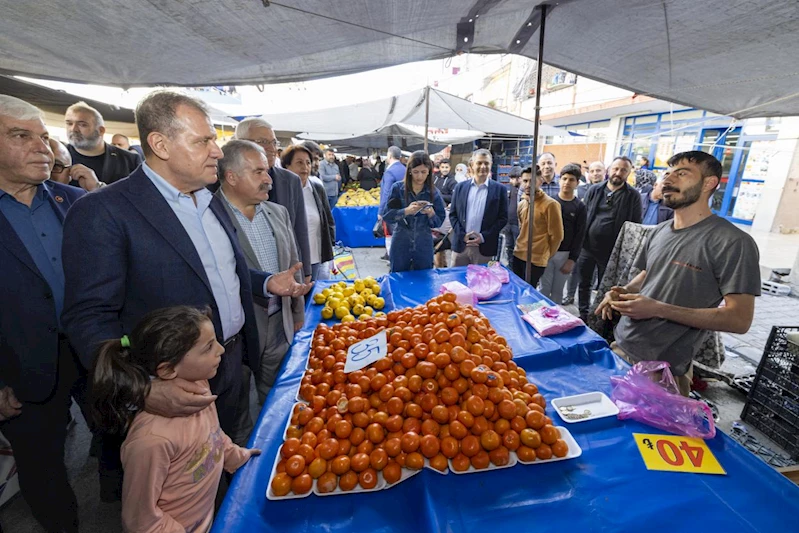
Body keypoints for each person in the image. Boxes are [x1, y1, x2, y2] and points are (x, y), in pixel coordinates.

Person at [61, 90, 311, 501]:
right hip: (167, 386)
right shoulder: (104, 211)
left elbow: (217, 270)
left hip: (229, 364)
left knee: (224, 464)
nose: (217, 151)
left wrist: (265, 283)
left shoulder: (207, 199)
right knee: (180, 495)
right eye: (204, 141)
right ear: (159, 144)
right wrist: (140, 387)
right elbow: (88, 318)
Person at [596, 151, 760, 397]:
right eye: (668, 173)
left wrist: (658, 309)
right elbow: (648, 275)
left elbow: (739, 319)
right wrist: (623, 292)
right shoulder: (660, 231)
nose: (668, 179)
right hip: (621, 348)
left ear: (709, 183)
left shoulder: (733, 242)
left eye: (682, 173)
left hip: (664, 373)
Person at [92, 306, 260, 532]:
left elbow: (212, 435)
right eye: (208, 347)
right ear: (168, 370)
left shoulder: (199, 385)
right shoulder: (151, 441)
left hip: (206, 518)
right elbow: (141, 522)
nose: (221, 350)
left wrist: (235, 456)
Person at [0, 95, 85, 533]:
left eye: (44, 137)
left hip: (93, 354)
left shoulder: (74, 201)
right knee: (43, 468)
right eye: (21, 136)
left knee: (123, 440)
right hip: (21, 370)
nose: (42, 148)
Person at [216, 140, 305, 444]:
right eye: (258, 172)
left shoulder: (277, 212)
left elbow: (293, 264)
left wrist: (297, 313)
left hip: (278, 324)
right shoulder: (209, 218)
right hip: (234, 336)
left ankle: (276, 452)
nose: (268, 179)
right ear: (231, 177)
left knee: (277, 399)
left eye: (267, 171)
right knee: (236, 414)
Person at [235, 118, 312, 282]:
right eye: (262, 142)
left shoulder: (291, 181)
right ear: (240, 144)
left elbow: (300, 228)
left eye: (273, 142)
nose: (271, 148)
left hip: (287, 272)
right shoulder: (220, 184)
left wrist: (305, 271)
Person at [576, 156, 642, 321]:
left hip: (612, 252)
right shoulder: (594, 190)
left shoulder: (633, 196)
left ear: (629, 173)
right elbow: (584, 215)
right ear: (609, 170)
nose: (618, 173)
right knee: (584, 283)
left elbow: (635, 226)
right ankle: (583, 313)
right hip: (588, 247)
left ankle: (598, 316)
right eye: (616, 168)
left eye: (624, 170)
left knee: (606, 286)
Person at [380, 150, 445, 272]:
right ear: (409, 171)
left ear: (429, 172)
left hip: (423, 242)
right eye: (416, 172)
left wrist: (431, 214)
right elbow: (387, 216)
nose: (419, 176)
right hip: (401, 240)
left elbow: (439, 221)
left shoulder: (433, 192)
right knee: (398, 278)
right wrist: (405, 211)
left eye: (423, 172)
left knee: (424, 279)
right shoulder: (398, 189)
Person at [281, 144, 336, 281]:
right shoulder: (280, 191)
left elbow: (328, 220)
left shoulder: (316, 187)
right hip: (292, 261)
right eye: (299, 163)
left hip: (317, 256)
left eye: (308, 163)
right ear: (287, 166)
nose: (305, 167)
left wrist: (330, 248)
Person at [449, 149, 508, 266]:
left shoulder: (500, 189)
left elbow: (503, 218)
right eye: (479, 163)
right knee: (457, 281)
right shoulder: (460, 188)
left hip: (484, 248)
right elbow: (453, 214)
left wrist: (483, 236)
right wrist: (462, 235)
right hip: (461, 246)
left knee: (482, 282)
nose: (483, 166)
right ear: (472, 165)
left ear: (491, 165)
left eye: (486, 163)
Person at [539, 164, 587, 304]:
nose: (567, 182)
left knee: (557, 292)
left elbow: (580, 235)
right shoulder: (549, 202)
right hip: (547, 252)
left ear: (577, 183)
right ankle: (540, 318)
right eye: (564, 178)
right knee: (543, 289)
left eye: (571, 179)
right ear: (559, 180)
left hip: (565, 254)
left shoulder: (579, 207)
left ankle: (554, 321)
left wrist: (572, 259)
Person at [65, 101, 141, 184]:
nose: (73, 129)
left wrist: (98, 187)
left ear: (101, 130)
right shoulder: (57, 157)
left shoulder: (129, 160)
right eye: (69, 123)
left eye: (82, 125)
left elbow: (141, 194)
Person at [512, 166, 563, 285]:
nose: (528, 184)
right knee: (516, 289)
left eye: (532, 181)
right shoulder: (522, 204)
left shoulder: (551, 205)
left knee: (529, 295)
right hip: (518, 254)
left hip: (536, 260)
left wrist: (545, 255)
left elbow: (557, 236)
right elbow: (521, 229)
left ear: (540, 180)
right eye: (525, 181)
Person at [378, 146, 406, 259]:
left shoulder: (390, 172)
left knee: (392, 234)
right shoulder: (405, 169)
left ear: (389, 156)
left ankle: (393, 257)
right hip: (404, 207)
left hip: (392, 208)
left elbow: (386, 193)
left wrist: (381, 211)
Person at [500, 166, 522, 263]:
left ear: (519, 178)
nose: (510, 181)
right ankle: (510, 265)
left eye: (512, 179)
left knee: (517, 249)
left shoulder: (524, 190)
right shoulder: (512, 188)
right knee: (509, 247)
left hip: (518, 224)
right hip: (509, 223)